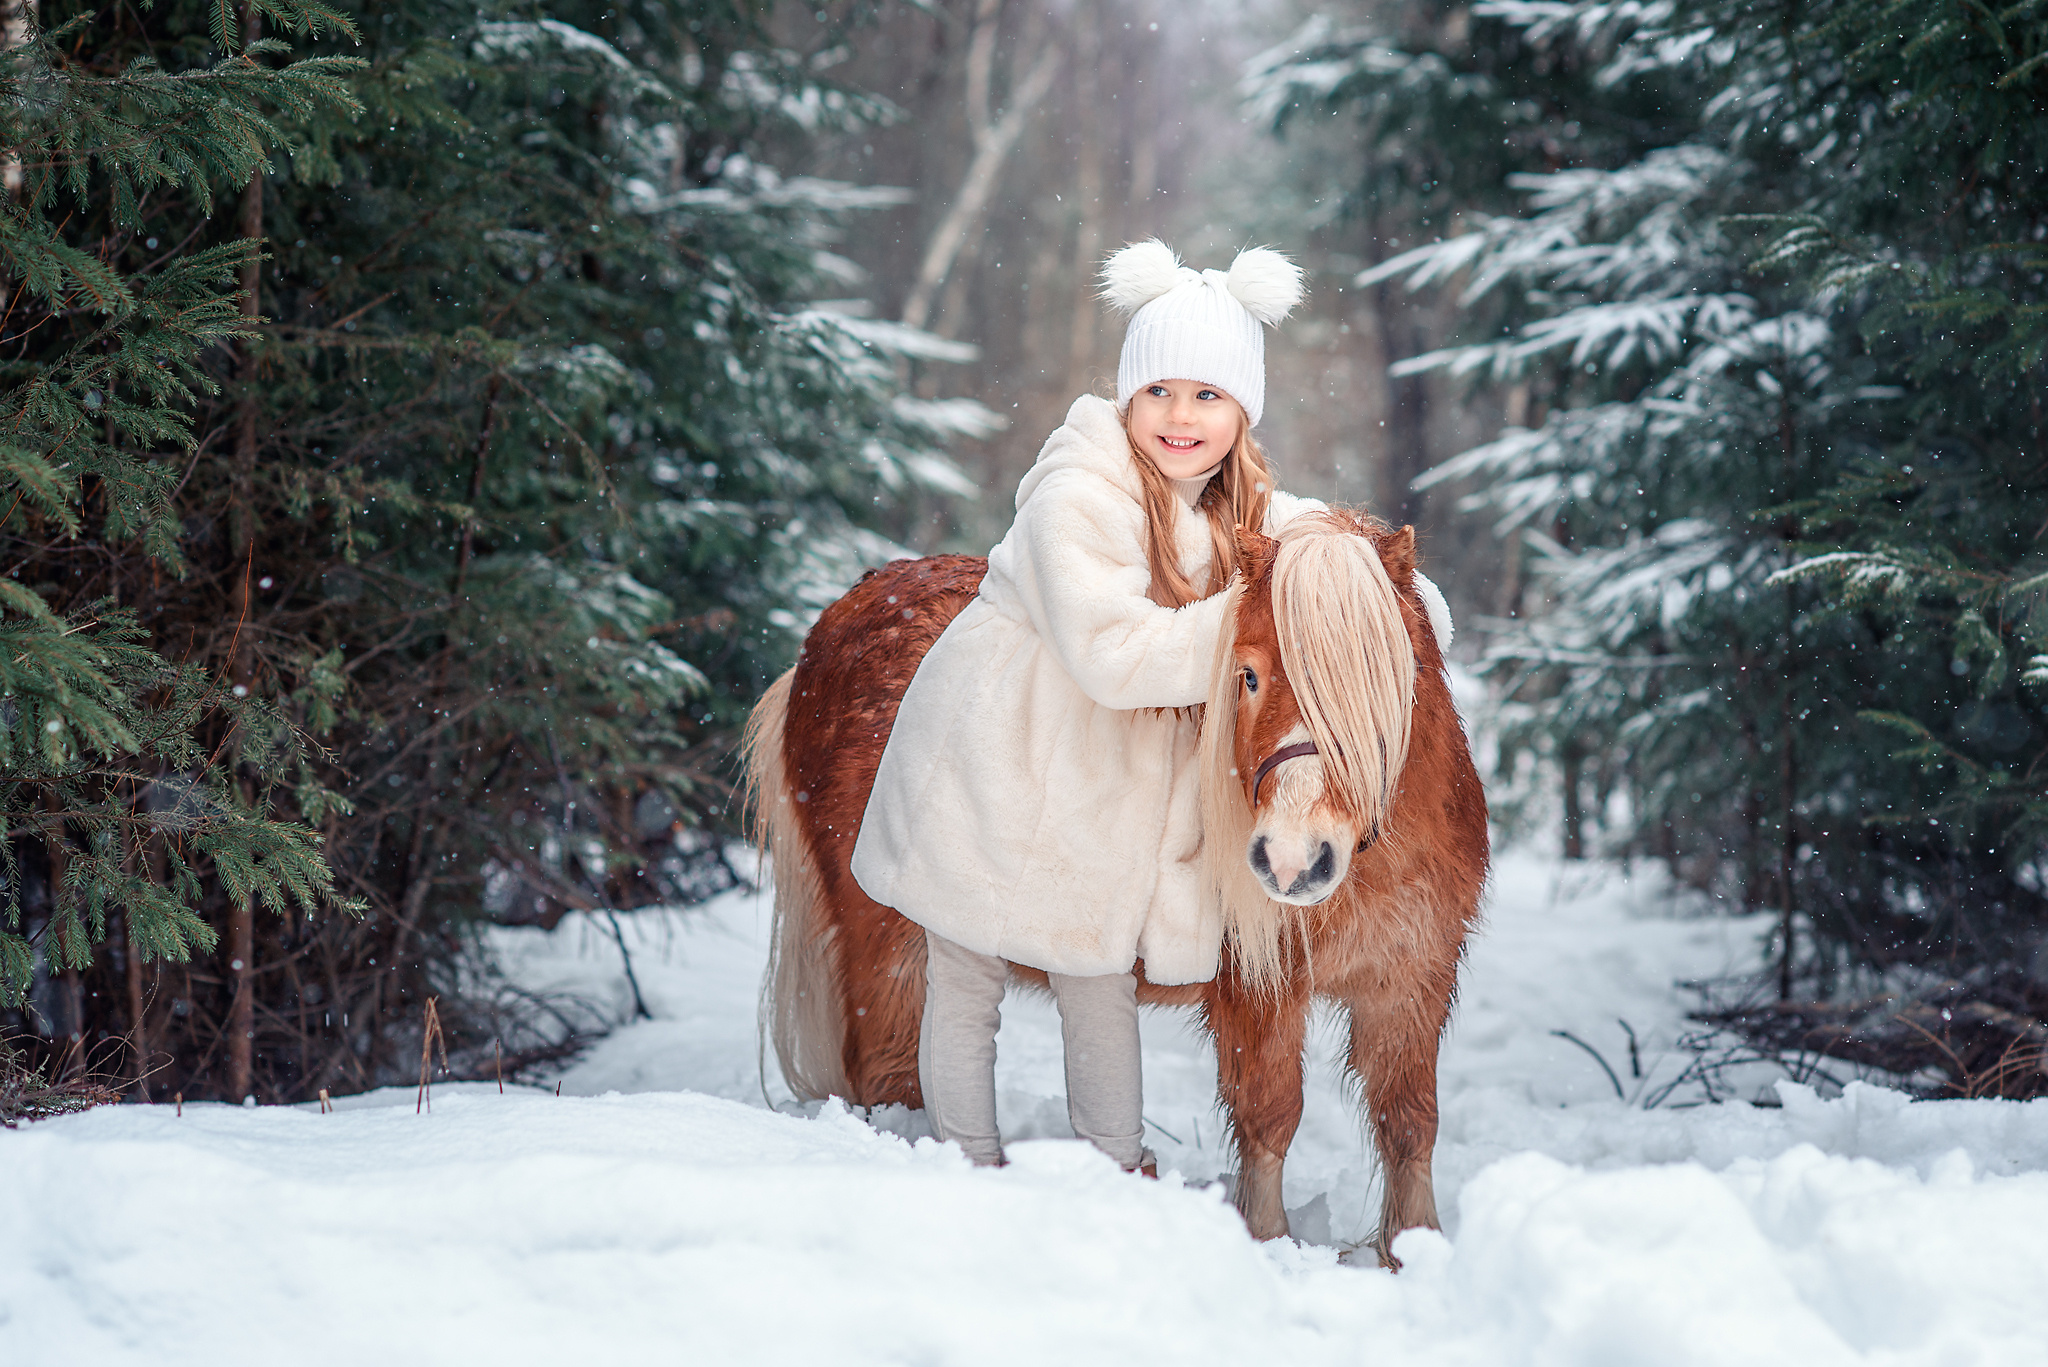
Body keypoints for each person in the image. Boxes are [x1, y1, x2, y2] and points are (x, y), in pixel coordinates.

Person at [850, 239, 1326, 1171]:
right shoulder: (1078, 490)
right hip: (998, 752)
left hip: (1097, 780)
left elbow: (1317, 539)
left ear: (1242, 410)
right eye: (1159, 391)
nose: (1180, 416)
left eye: (1208, 395)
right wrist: (1261, 618)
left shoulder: (1241, 501)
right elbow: (1111, 654)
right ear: (1126, 397)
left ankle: (1113, 1166)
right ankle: (963, 1158)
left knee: (1095, 970)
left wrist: (1379, 603)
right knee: (968, 968)